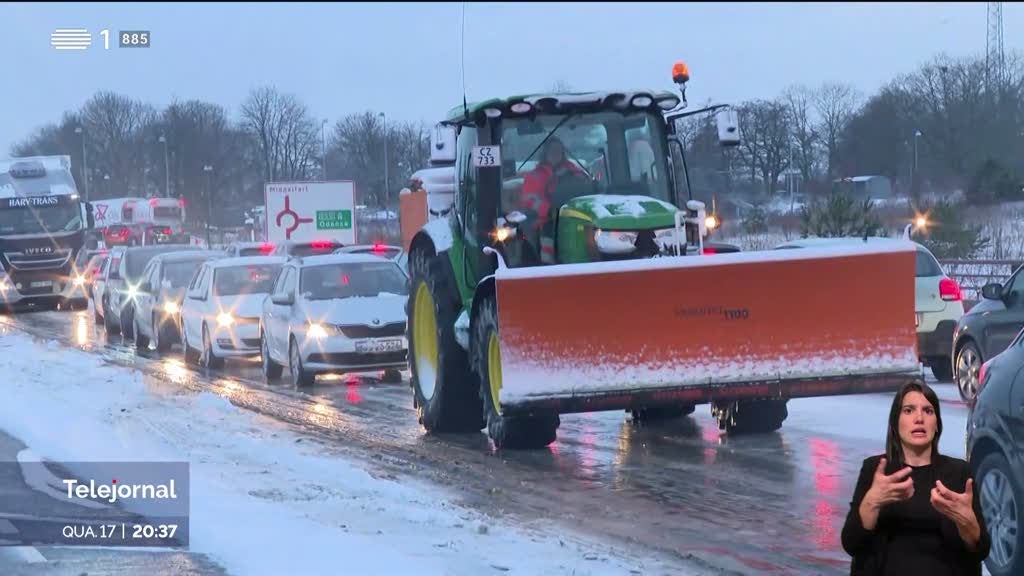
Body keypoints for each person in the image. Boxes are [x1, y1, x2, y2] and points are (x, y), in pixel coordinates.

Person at [841, 381, 990, 575]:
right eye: (909, 410)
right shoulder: (876, 470)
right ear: (895, 423)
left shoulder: (959, 472)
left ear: (936, 425)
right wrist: (872, 502)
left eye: (928, 411)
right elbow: (851, 544)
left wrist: (967, 523)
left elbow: (980, 550)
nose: (919, 418)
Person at [519, 137, 585, 262]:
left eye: (558, 151)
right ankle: (547, 263)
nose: (555, 154)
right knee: (548, 230)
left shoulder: (573, 170)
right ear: (545, 153)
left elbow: (584, 187)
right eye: (552, 151)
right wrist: (549, 209)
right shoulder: (535, 175)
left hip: (573, 214)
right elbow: (530, 199)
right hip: (545, 217)